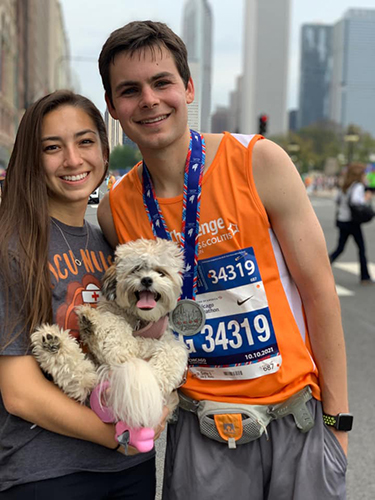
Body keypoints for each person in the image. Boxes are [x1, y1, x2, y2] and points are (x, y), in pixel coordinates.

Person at [97, 21, 352, 500]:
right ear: (113, 107)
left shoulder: (259, 162)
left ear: (188, 87)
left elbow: (320, 294)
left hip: (295, 423)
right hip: (201, 433)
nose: (149, 100)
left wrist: (337, 424)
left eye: (162, 82)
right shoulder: (117, 206)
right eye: (129, 90)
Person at [0, 90, 160, 499]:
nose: (73, 160)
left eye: (85, 142)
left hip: (131, 468)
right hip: (48, 474)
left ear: (105, 152)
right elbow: (19, 393)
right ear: (32, 159)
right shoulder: (12, 248)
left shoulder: (111, 244)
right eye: (53, 147)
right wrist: (118, 436)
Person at [329, 162, 373, 285]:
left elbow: (336, 200)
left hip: (342, 220)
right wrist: (366, 198)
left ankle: (325, 265)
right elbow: (356, 201)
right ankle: (365, 276)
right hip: (352, 222)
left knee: (340, 248)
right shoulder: (357, 186)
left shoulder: (344, 186)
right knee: (361, 248)